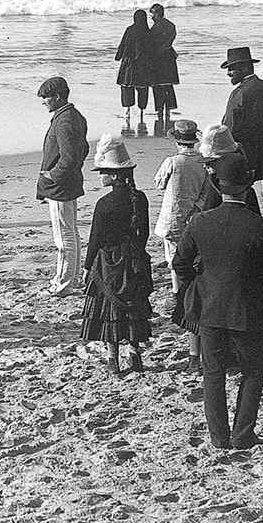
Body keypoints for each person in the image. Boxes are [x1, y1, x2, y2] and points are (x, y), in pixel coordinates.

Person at [175, 152, 263, 450]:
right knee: (254, 371)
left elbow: (179, 263)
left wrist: (198, 281)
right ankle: (243, 433)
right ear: (247, 188)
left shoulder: (199, 223)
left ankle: (219, 437)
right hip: (248, 308)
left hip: (209, 308)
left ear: (218, 187)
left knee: (213, 373)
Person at [80, 138, 153, 375]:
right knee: (133, 311)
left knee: (109, 312)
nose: (100, 176)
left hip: (109, 262)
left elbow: (95, 239)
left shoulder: (104, 203)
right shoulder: (139, 198)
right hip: (133, 259)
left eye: (102, 172)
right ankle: (135, 354)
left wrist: (87, 265)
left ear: (113, 175)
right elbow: (144, 233)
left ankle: (113, 359)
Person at [153, 120, 207, 371]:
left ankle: (179, 296)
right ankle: (183, 293)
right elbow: (206, 193)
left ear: (177, 141)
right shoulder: (203, 163)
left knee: (174, 259)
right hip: (193, 217)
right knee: (190, 258)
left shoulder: (173, 162)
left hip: (172, 217)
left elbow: (158, 183)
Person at [37, 76, 89, 296]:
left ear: (58, 97)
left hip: (60, 186)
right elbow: (83, 150)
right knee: (71, 232)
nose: (43, 102)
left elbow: (69, 157)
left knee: (63, 237)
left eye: (46, 98)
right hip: (68, 182)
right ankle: (71, 278)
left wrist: (53, 176)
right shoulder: (73, 116)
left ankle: (64, 284)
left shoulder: (64, 120)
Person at [219, 46, 263, 185]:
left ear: (245, 68)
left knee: (239, 190)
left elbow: (230, 125)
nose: (228, 73)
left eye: (231, 69)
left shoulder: (240, 93)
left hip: (242, 152)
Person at [144, 4, 180, 137]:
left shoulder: (155, 28)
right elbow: (168, 42)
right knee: (168, 84)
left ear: (157, 14)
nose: (151, 17)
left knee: (157, 85)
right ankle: (169, 109)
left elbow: (153, 44)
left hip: (158, 58)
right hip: (169, 56)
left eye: (152, 14)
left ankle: (160, 109)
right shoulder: (171, 25)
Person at [114, 9, 151, 136]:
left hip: (129, 64)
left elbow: (123, 45)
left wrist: (118, 57)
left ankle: (127, 111)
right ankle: (142, 112)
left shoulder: (130, 30)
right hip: (143, 66)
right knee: (143, 89)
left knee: (126, 88)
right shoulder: (148, 31)